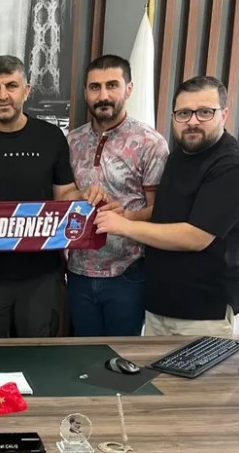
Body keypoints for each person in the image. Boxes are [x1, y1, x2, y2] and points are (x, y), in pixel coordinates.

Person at [0, 55, 104, 338]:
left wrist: (83, 195)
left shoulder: (52, 136)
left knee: (38, 356)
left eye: (11, 86)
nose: (3, 96)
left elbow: (64, 194)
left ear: (26, 90)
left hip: (42, 273)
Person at [96, 76, 239, 337]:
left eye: (204, 112)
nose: (192, 121)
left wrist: (125, 226)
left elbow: (196, 236)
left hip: (203, 311)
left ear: (224, 114)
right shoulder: (180, 153)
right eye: (184, 113)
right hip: (159, 302)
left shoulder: (230, 164)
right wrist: (129, 215)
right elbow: (166, 212)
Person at [66, 55, 168, 337]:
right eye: (95, 87)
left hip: (127, 273)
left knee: (122, 356)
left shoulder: (150, 143)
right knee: (83, 355)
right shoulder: (71, 142)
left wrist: (125, 218)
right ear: (85, 92)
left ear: (129, 89)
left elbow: (159, 210)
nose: (103, 96)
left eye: (112, 85)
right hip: (77, 271)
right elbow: (60, 197)